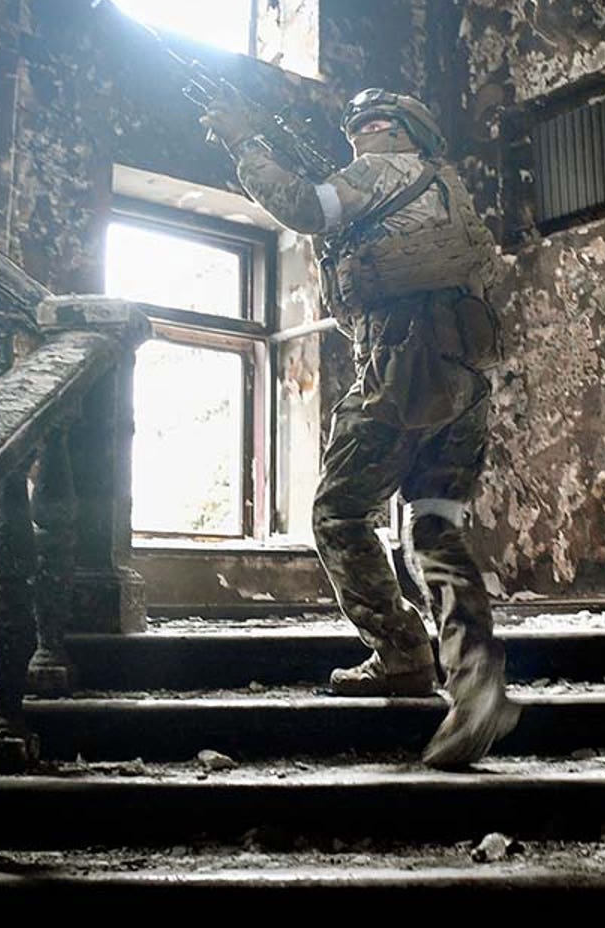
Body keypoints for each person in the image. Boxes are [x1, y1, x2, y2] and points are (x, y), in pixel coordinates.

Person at [199, 88, 520, 768]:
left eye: (382, 121)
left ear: (411, 132)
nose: (367, 130)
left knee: (339, 513)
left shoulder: (383, 171)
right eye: (360, 124)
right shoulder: (446, 188)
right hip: (463, 380)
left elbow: (306, 207)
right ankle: (476, 685)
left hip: (403, 372)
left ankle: (401, 651)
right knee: (433, 527)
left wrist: (244, 142)